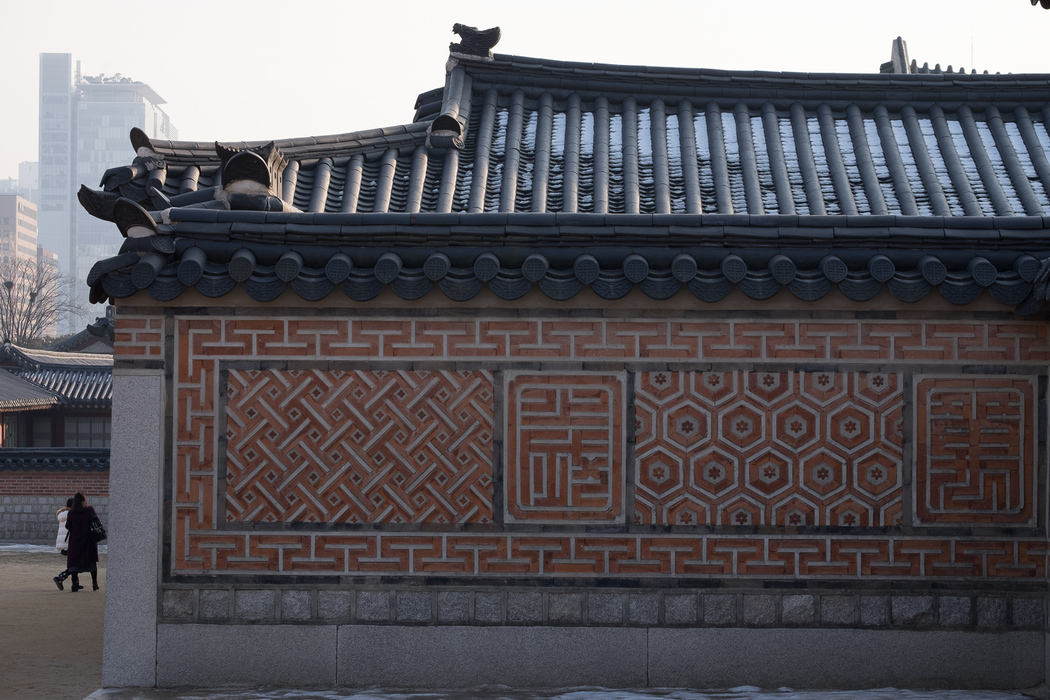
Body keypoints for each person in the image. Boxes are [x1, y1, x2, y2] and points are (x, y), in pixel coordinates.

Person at [64, 492, 100, 592]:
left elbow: (67, 526)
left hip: (75, 540)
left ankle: (74, 583)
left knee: (74, 563)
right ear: (83, 500)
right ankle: (94, 583)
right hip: (89, 539)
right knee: (91, 562)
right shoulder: (89, 510)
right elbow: (96, 521)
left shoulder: (71, 512)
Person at [53, 498, 73, 590]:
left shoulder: (62, 514)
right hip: (70, 542)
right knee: (75, 565)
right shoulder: (71, 515)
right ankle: (60, 577)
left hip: (63, 543)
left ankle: (75, 583)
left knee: (73, 564)